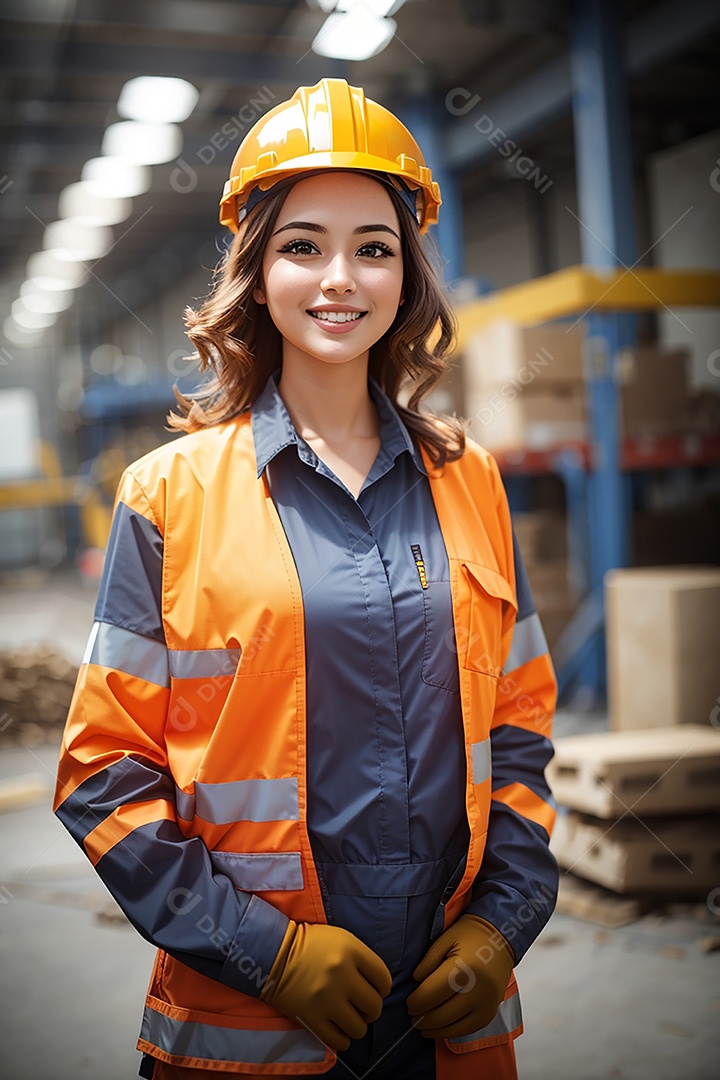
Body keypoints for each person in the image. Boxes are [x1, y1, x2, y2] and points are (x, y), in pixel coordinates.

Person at [53, 78, 559, 1080]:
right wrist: (268, 956)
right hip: (251, 1037)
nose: (341, 277)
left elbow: (522, 733)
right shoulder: (169, 495)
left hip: (449, 1025)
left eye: (374, 246)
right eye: (303, 246)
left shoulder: (472, 478)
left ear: (407, 274)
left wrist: (503, 924)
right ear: (258, 269)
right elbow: (103, 780)